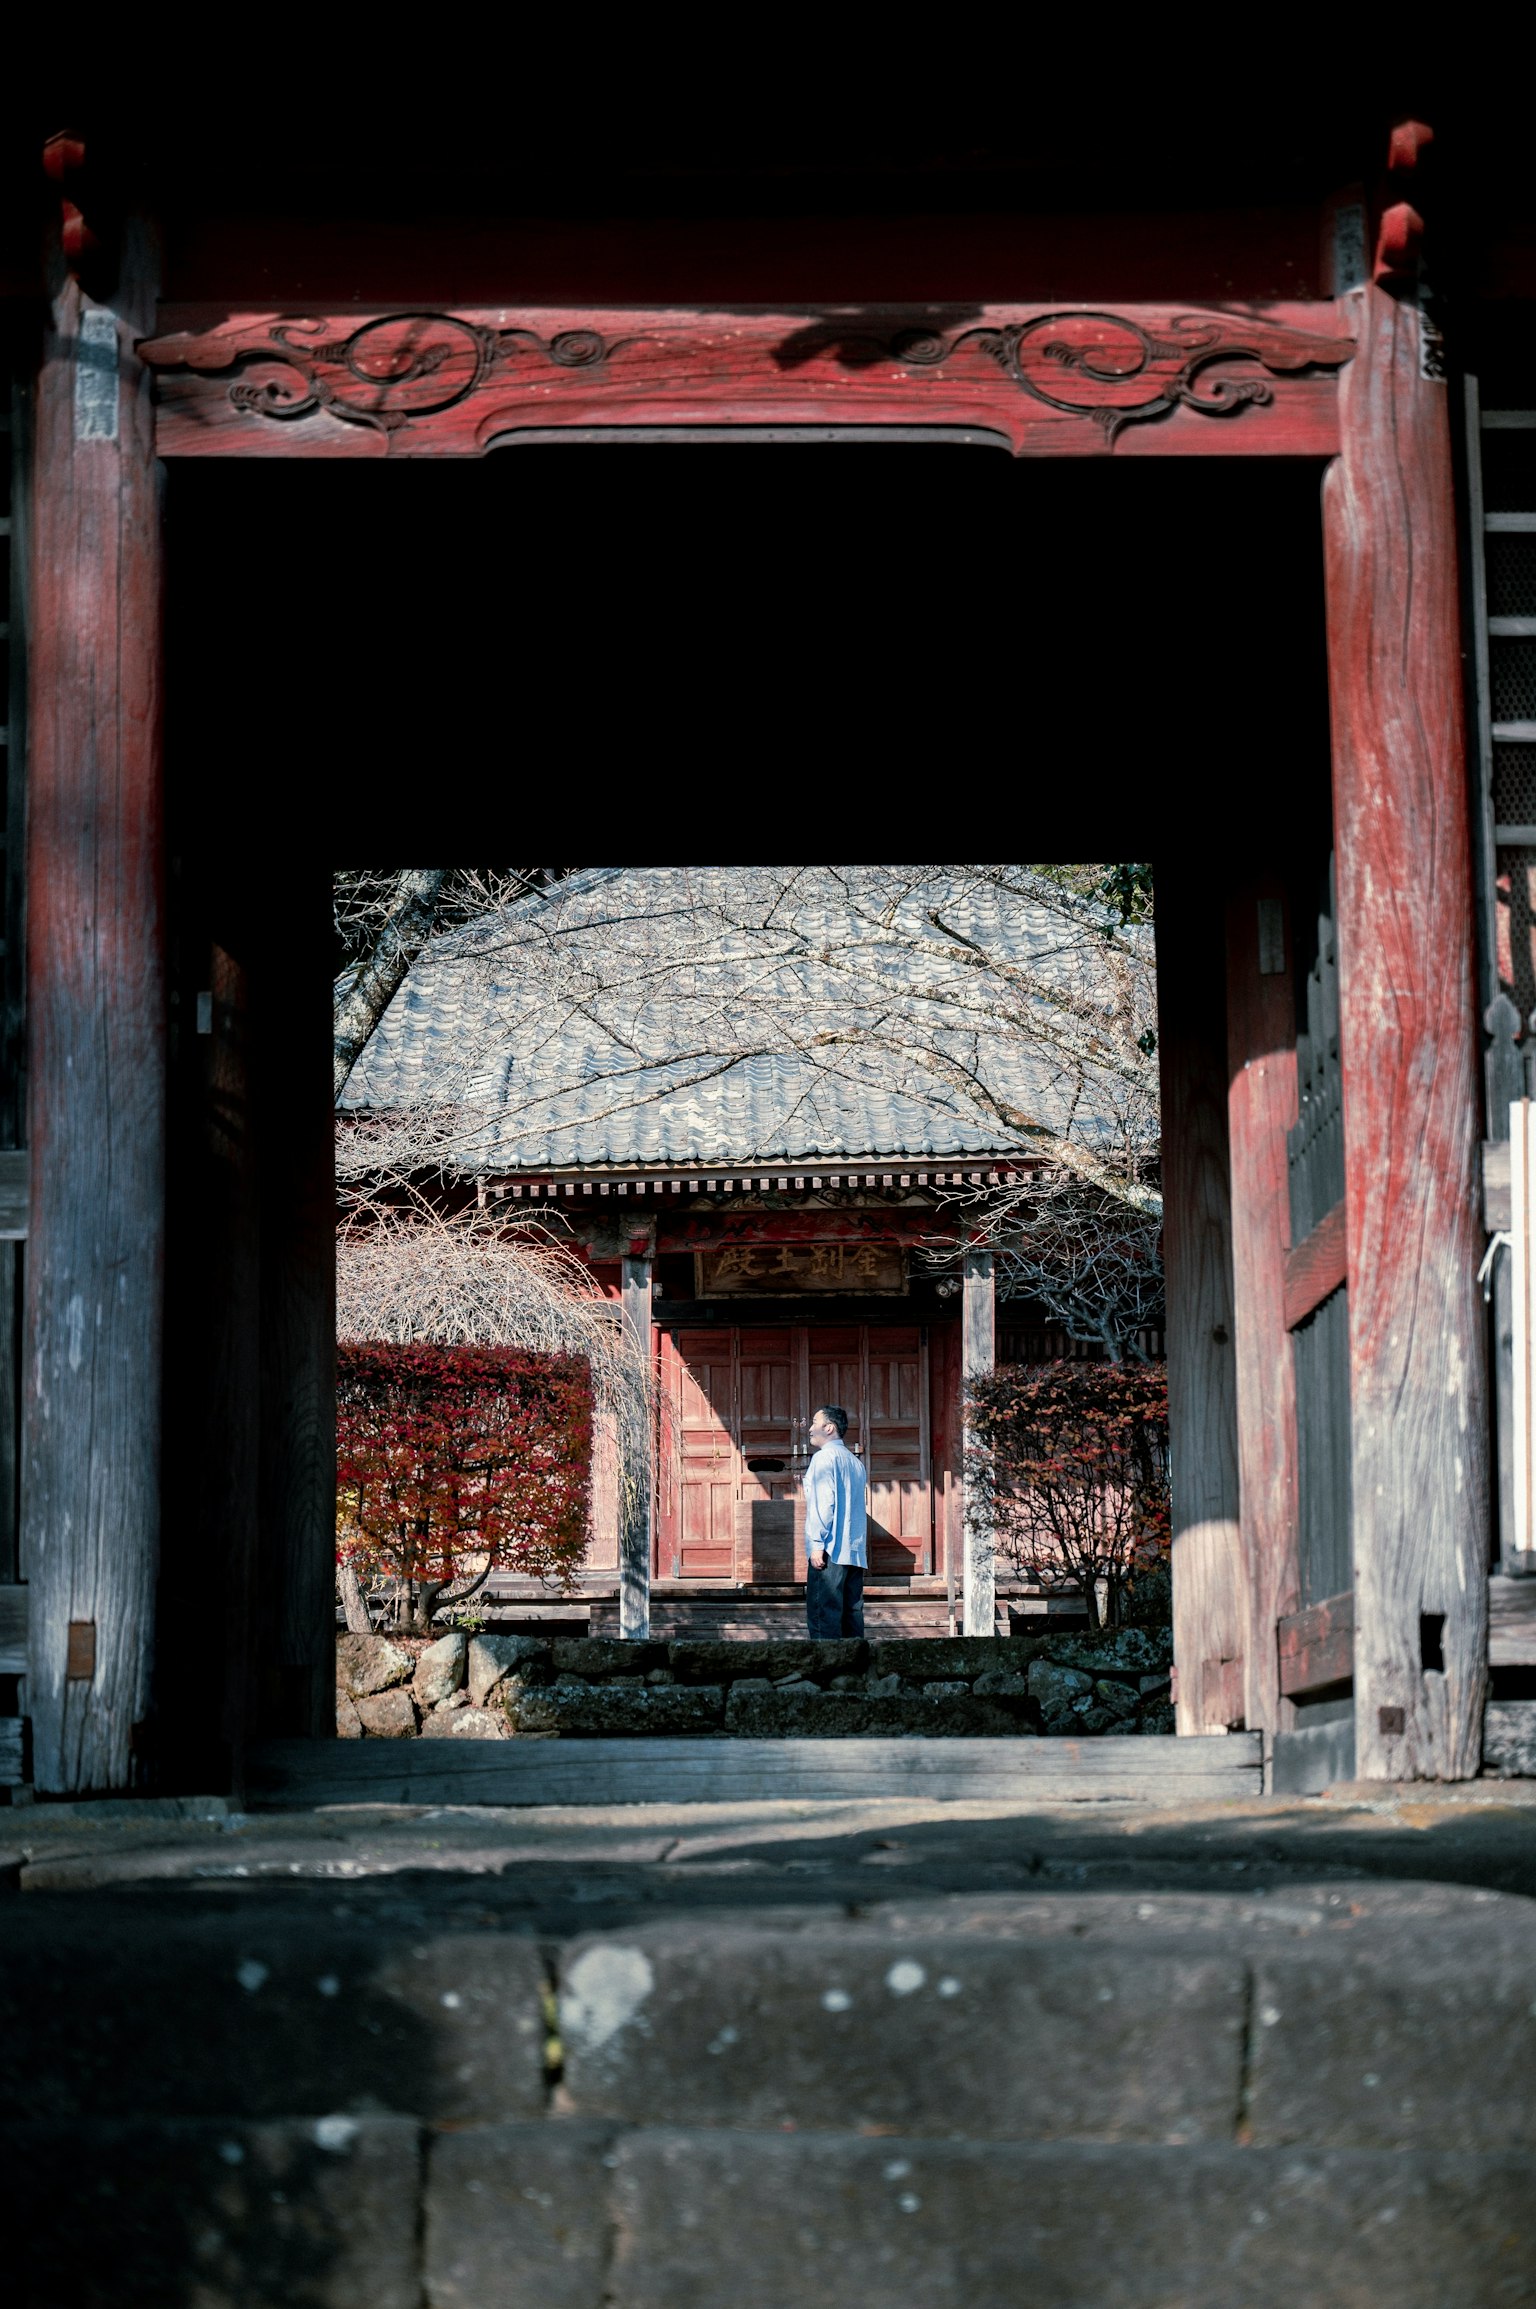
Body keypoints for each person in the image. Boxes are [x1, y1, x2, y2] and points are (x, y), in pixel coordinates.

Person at [803, 1403, 867, 1639]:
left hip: (830, 1549)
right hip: (854, 1550)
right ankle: (855, 1672)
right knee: (852, 1613)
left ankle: (826, 1672)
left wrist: (817, 1544)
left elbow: (823, 1504)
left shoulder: (823, 1459)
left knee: (824, 1615)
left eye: (814, 1422)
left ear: (829, 1428)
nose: (809, 1428)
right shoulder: (856, 1463)